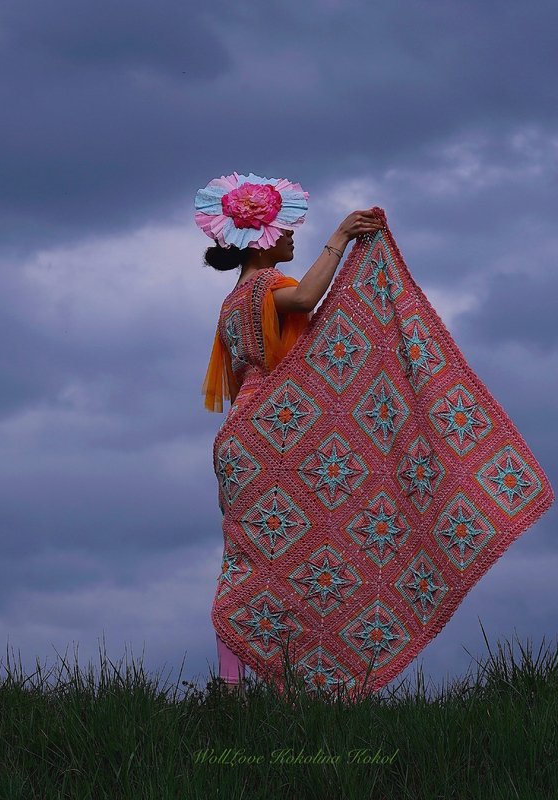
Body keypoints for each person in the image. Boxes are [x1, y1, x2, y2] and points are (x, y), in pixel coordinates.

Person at [196, 171, 382, 691]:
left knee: (246, 560)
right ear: (262, 240)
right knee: (299, 552)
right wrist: (340, 238)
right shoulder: (265, 287)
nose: (293, 237)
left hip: (243, 433)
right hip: (270, 434)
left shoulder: (232, 300)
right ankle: (296, 679)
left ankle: (235, 685)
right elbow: (305, 300)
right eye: (285, 230)